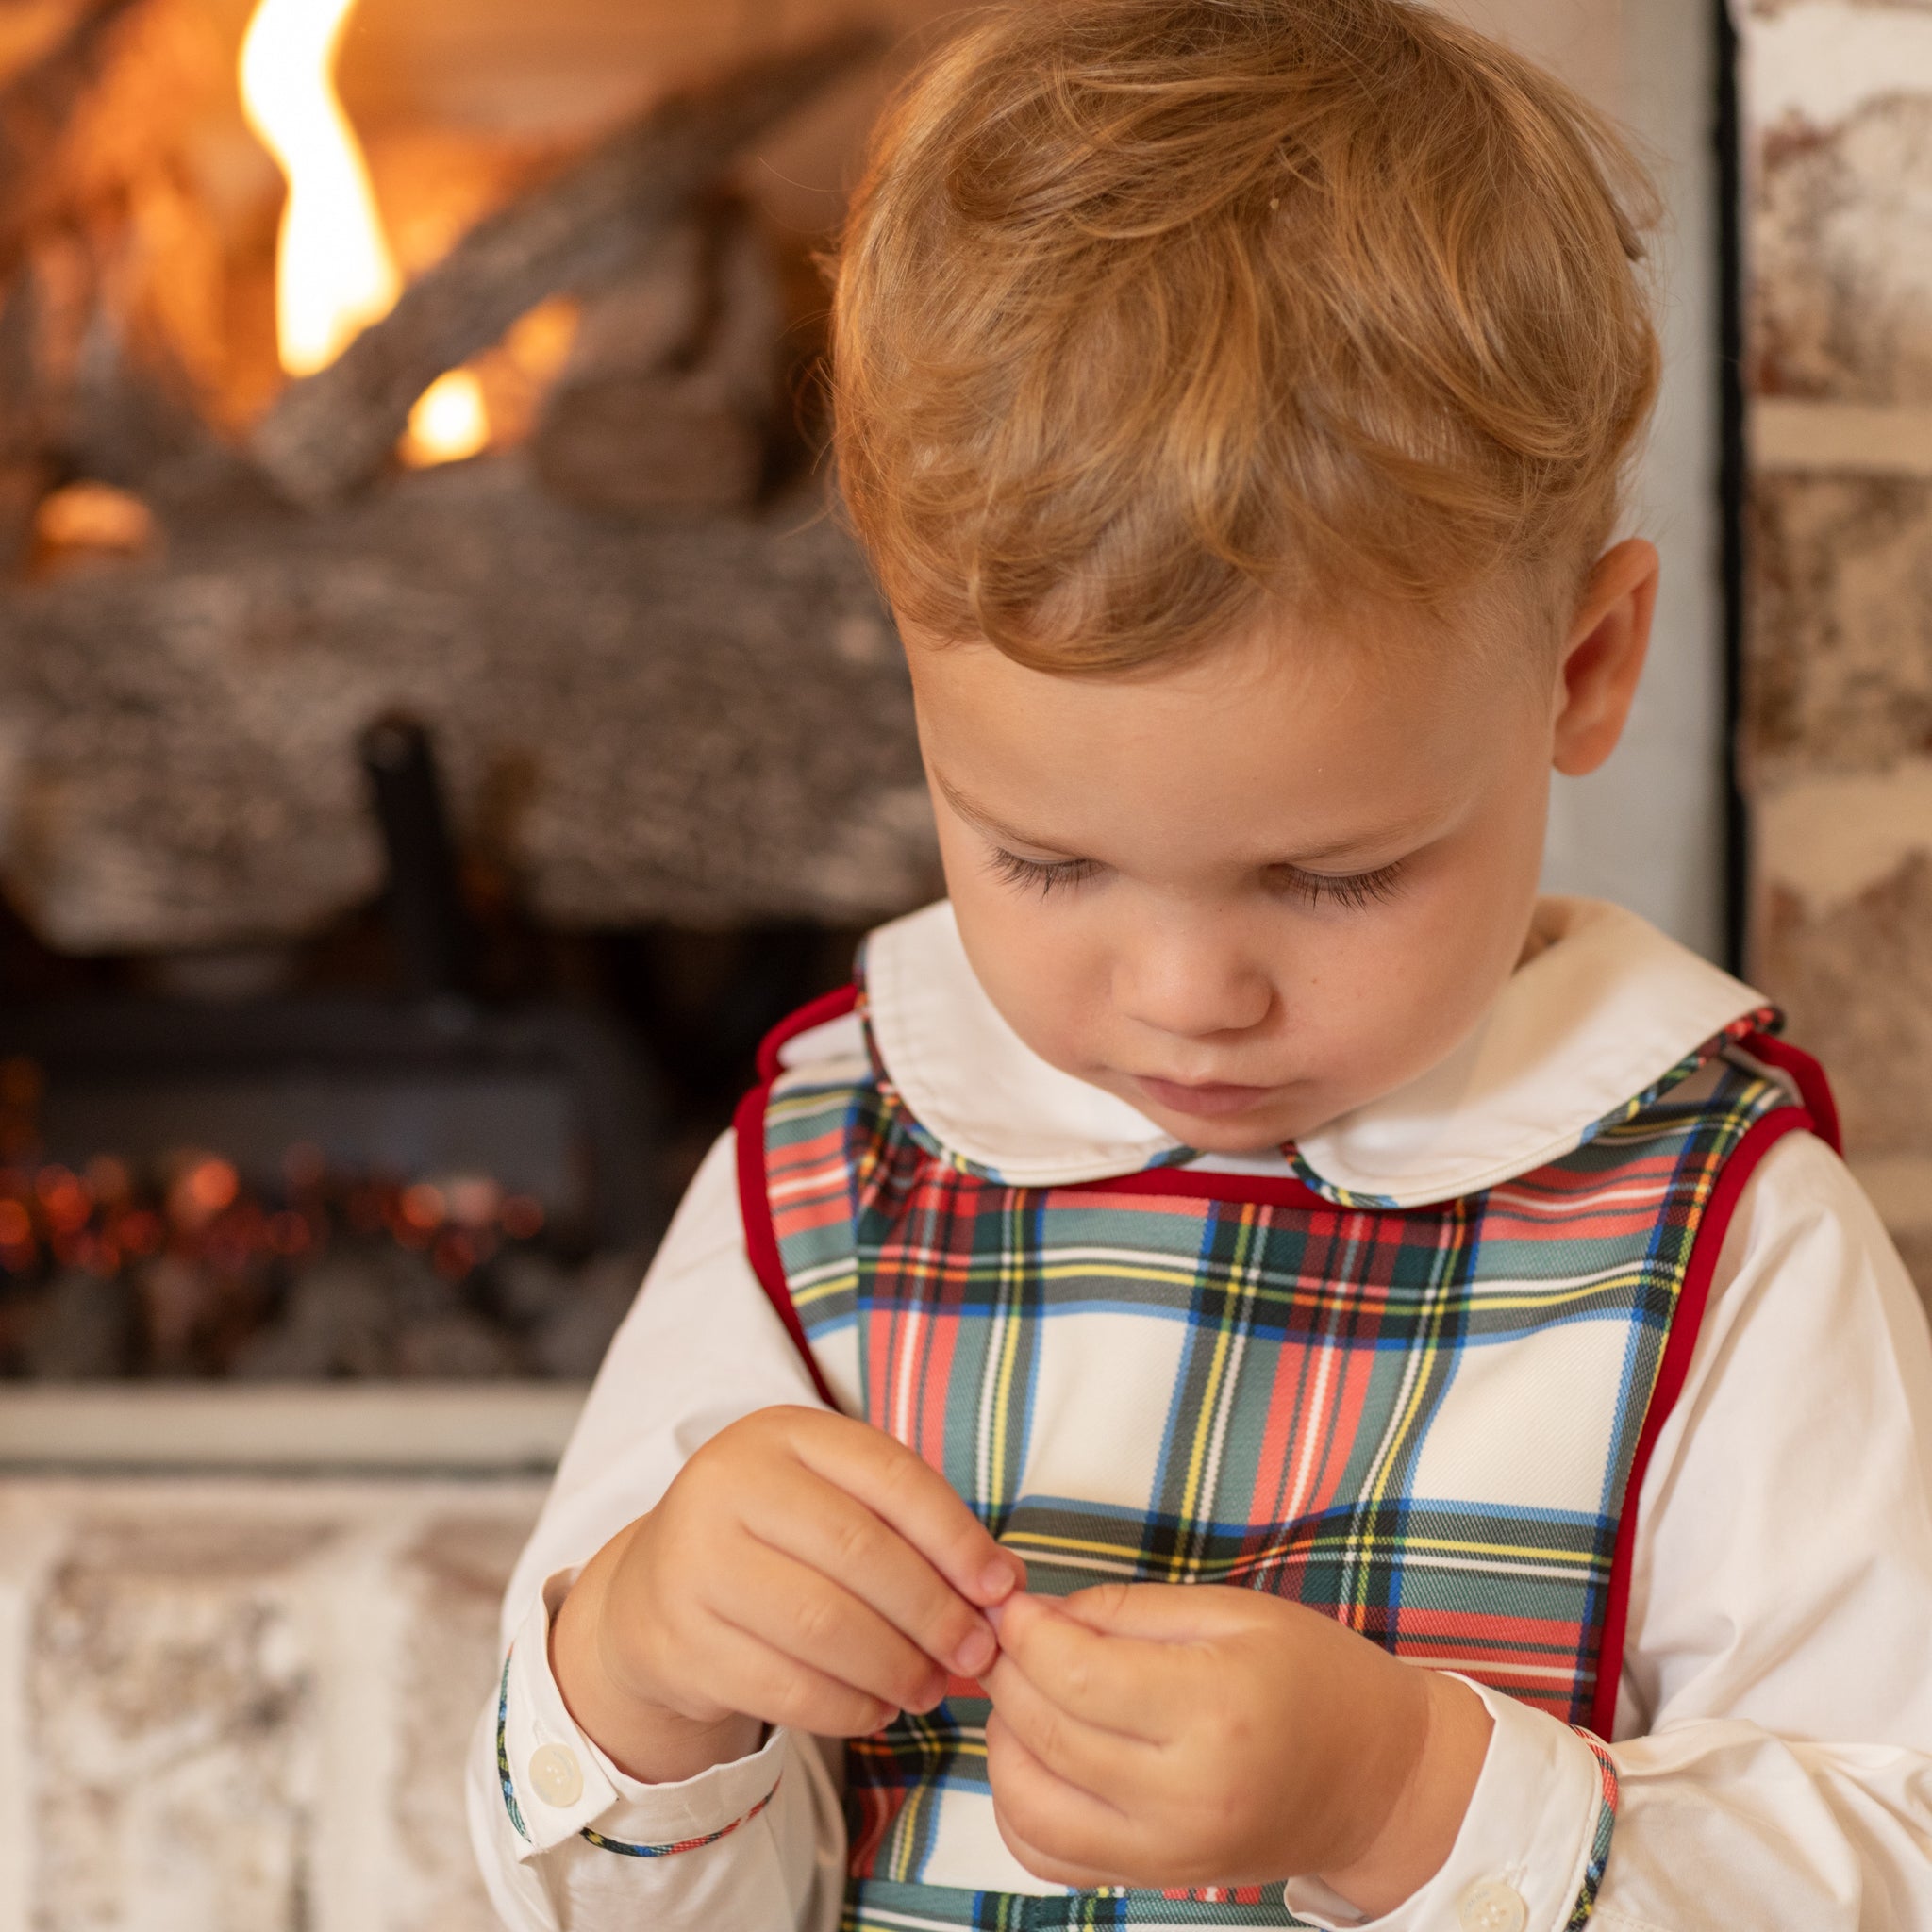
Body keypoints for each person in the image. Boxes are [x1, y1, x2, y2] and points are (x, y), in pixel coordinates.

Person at [468, 4, 1932, 1927]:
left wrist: (1408, 1790)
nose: (1181, 993)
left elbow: (1885, 1857)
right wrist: (647, 1677)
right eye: (1045, 856)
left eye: (1328, 878)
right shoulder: (831, 1183)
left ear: (1579, 673)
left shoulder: (1719, 1238)